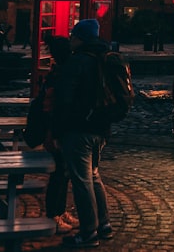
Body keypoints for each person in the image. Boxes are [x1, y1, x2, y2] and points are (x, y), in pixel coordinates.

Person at [52, 18, 114, 247]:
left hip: (79, 129)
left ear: (80, 38)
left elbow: (64, 101)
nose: (70, 39)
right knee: (94, 176)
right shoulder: (104, 57)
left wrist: (57, 132)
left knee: (82, 180)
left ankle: (88, 233)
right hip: (101, 128)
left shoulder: (76, 61)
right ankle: (104, 224)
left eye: (73, 35)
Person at [42, 36, 79, 234]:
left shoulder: (58, 70)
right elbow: (54, 107)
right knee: (59, 172)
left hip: (60, 128)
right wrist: (53, 133)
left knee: (63, 172)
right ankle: (53, 214)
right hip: (57, 130)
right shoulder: (62, 73)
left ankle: (61, 211)